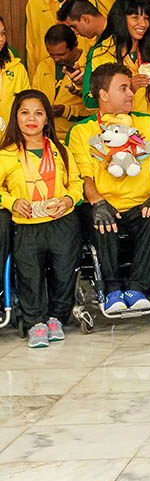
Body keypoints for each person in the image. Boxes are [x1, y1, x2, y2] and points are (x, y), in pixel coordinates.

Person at [67, 62, 150, 313]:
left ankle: (137, 288)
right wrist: (98, 202)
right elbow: (84, 177)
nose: (131, 93)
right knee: (101, 218)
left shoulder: (148, 124)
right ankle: (112, 290)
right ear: (103, 95)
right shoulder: (82, 131)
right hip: (104, 202)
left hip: (140, 202)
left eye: (130, 88)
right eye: (123, 88)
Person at [0, 90, 81, 347]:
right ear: (16, 117)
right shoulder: (6, 153)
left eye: (38, 113)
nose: (31, 119)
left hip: (62, 221)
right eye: (24, 113)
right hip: (26, 224)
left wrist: (68, 200)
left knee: (64, 271)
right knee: (29, 273)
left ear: (47, 119)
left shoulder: (61, 150)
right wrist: (12, 202)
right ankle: (35, 322)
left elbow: (76, 184)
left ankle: (57, 318)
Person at [81, 0, 150, 124]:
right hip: (117, 132)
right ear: (120, 19)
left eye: (145, 18)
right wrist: (128, 88)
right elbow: (89, 101)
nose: (143, 24)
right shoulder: (100, 53)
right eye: (135, 18)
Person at [25, 0, 95, 78]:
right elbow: (31, 47)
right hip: (46, 73)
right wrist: (33, 79)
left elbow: (93, 42)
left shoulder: (86, 1)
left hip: (79, 70)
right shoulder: (34, 5)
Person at [38, 24, 91, 138]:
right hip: (44, 137)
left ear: (75, 45)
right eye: (51, 54)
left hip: (76, 137)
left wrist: (66, 111)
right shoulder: (44, 65)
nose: (56, 59)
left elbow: (97, 110)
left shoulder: (90, 67)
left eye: (61, 54)